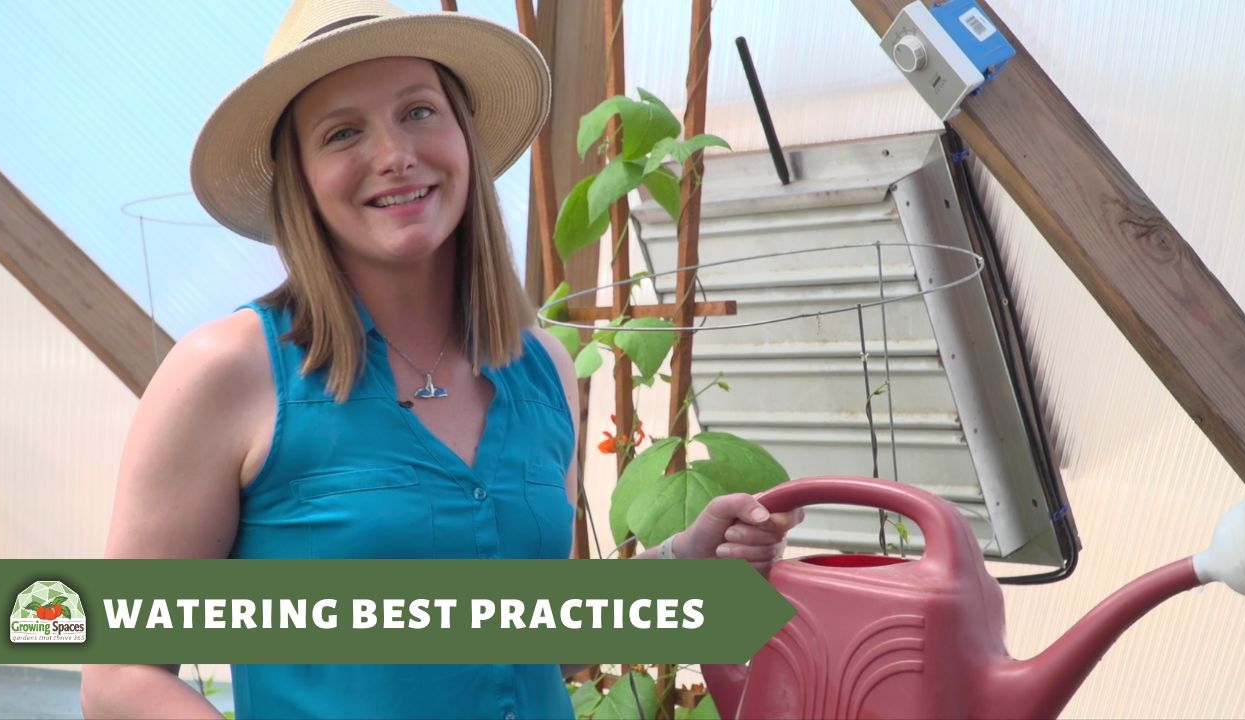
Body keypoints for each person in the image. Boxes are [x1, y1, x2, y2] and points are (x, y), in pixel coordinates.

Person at [80, 1, 803, 718]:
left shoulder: (543, 369)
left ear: (466, 138)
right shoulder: (228, 373)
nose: (393, 154)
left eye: (419, 112)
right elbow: (117, 678)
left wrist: (683, 569)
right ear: (298, 178)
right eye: (341, 132)